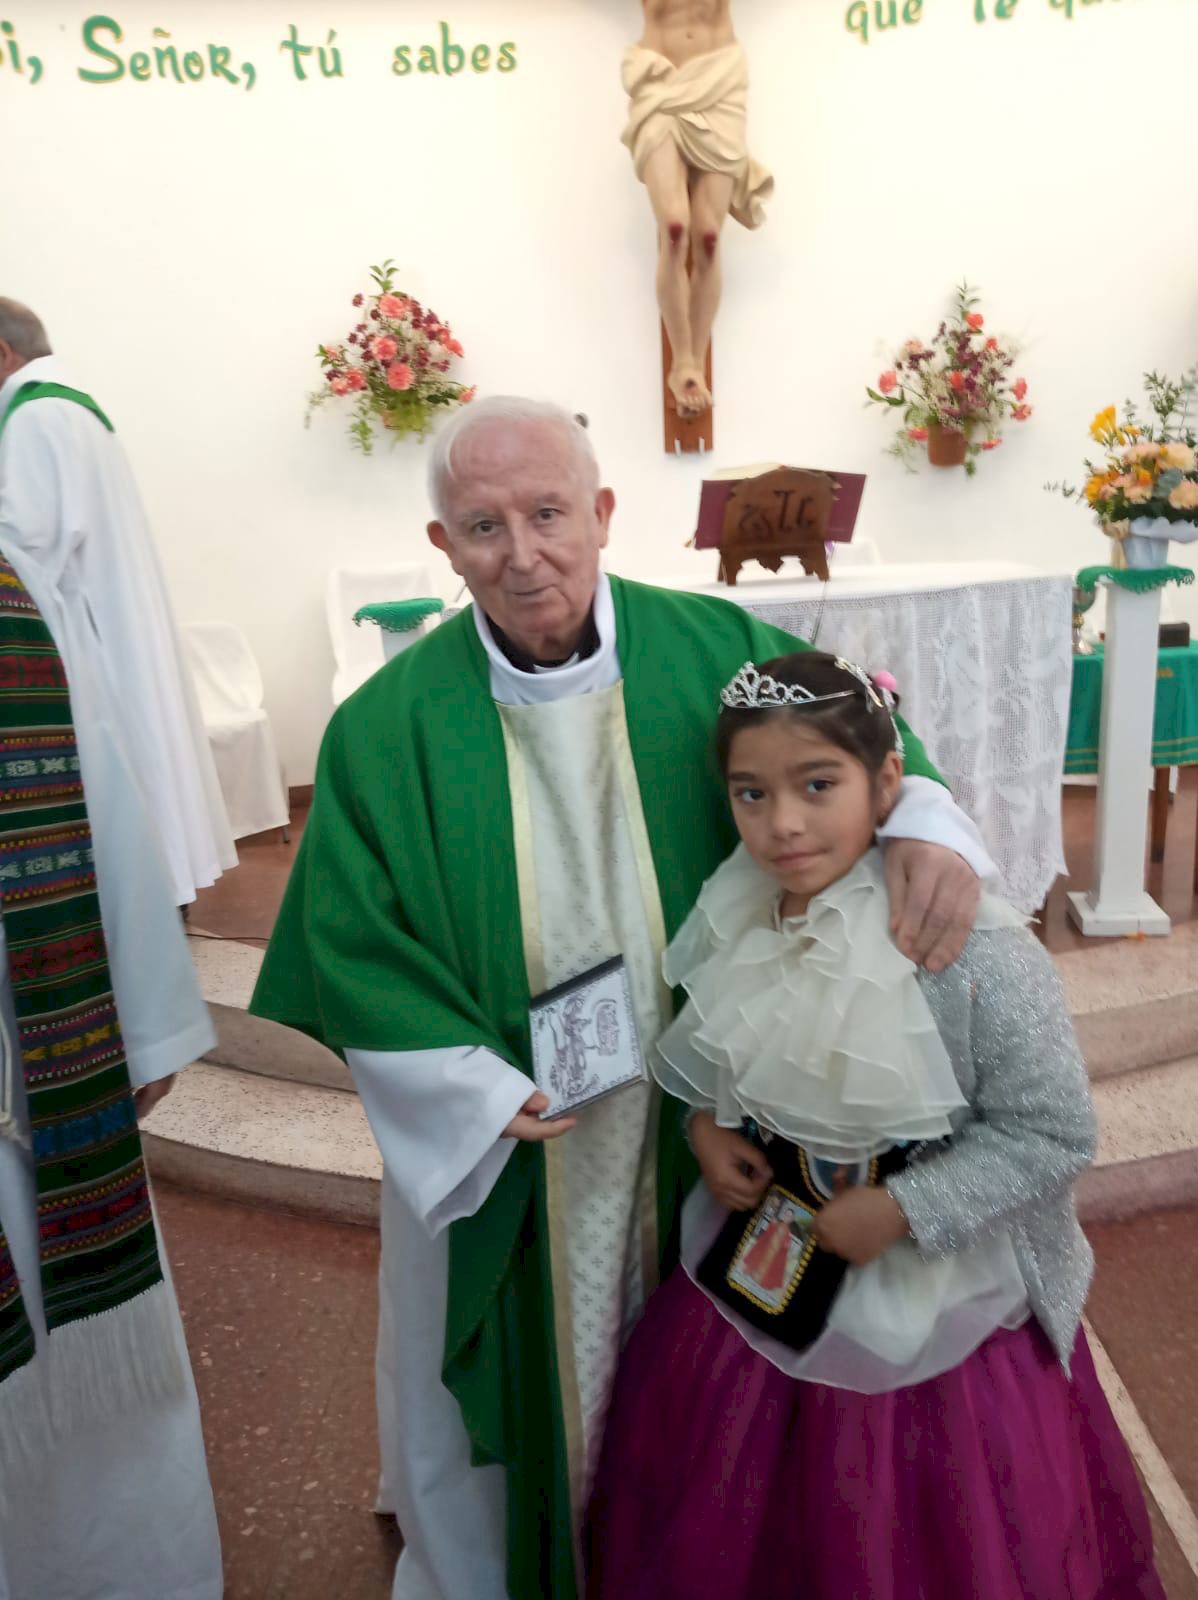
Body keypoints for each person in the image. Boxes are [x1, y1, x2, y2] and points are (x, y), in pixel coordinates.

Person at [250, 396, 995, 1600]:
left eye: (548, 513)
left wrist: (927, 822)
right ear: (442, 546)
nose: (523, 554)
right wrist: (460, 1083)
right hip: (517, 1119)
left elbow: (866, 747)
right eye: (483, 526)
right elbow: (349, 936)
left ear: (601, 512)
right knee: (513, 1405)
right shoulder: (384, 727)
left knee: (708, 1384)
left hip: (708, 1110)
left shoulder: (715, 649)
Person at [587, 650, 1164, 1600]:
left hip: (937, 1305)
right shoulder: (742, 911)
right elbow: (737, 1057)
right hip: (767, 1274)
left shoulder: (967, 948)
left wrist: (903, 1210)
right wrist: (705, 1128)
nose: (783, 823)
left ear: (887, 781)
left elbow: (1054, 1133)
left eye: (818, 785)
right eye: (751, 793)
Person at [0, 544, 222, 1598]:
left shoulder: (13, 591)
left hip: (37, 1074)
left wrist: (141, 1020)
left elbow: (93, 777)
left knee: (88, 1385)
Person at [0, 298, 237, 906]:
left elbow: (22, 549)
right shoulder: (73, 409)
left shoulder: (33, 417)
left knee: (113, 783)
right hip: (112, 630)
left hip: (81, 645)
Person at [621, 1, 773, 417]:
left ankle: (693, 363)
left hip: (719, 80)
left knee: (707, 237)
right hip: (659, 80)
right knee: (674, 227)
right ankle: (682, 361)